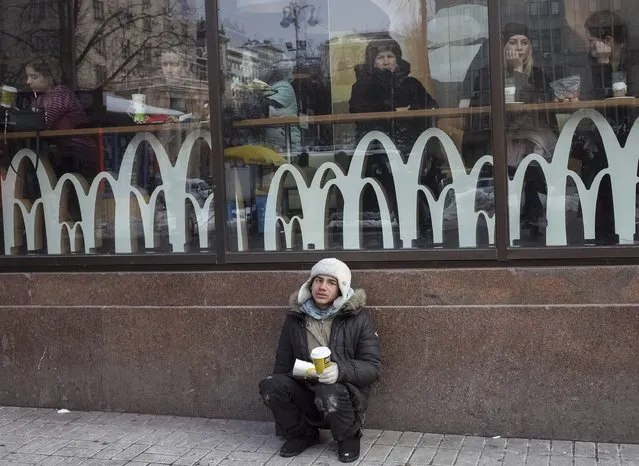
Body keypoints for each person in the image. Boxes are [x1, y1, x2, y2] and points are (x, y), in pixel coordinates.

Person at [259, 258, 381, 463]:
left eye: (331, 282)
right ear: (310, 284)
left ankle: (348, 437)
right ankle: (301, 434)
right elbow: (282, 365)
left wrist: (340, 370)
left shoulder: (357, 318)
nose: (322, 287)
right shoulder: (296, 317)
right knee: (272, 385)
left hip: (343, 393)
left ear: (341, 288)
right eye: (318, 280)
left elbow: (373, 367)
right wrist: (298, 375)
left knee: (329, 390)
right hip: (306, 388)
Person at [463, 23, 556, 237]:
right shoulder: (488, 74)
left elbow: (539, 108)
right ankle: (529, 212)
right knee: (524, 155)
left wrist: (519, 72)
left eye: (524, 43)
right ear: (502, 46)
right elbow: (494, 112)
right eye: (513, 42)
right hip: (496, 136)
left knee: (531, 153)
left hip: (533, 138)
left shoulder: (539, 74)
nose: (519, 48)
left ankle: (530, 211)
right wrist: (516, 71)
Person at [25, 59, 97, 180]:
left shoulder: (60, 94)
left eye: (34, 77)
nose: (28, 82)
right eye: (28, 77)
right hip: (65, 152)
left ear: (49, 77)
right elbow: (29, 119)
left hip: (79, 152)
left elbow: (44, 123)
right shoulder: (41, 98)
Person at [262, 59, 301, 154]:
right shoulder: (275, 87)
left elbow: (271, 104)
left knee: (286, 163)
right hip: (280, 138)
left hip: (284, 137)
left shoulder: (285, 87)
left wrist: (257, 98)